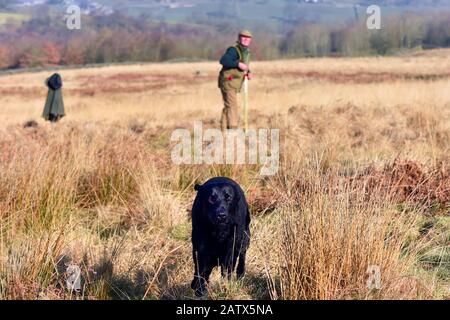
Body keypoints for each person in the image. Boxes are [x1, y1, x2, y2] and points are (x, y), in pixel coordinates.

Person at [218, 29, 253, 130]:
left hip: (233, 83)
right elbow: (223, 60)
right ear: (239, 38)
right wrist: (238, 64)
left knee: (228, 107)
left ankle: (224, 130)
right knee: (232, 106)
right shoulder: (234, 50)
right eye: (243, 37)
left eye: (248, 38)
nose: (246, 40)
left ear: (250, 40)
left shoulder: (245, 52)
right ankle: (232, 130)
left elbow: (244, 66)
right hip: (228, 82)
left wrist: (248, 72)